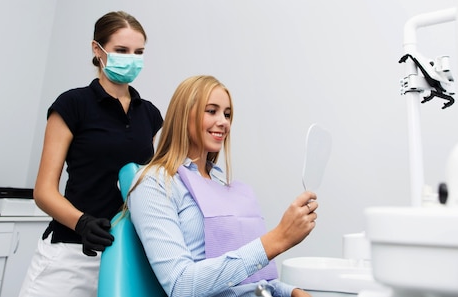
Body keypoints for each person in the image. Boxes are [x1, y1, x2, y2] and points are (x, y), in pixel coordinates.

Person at [127, 75, 318, 297]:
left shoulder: (223, 187)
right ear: (183, 115)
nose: (224, 121)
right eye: (211, 111)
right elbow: (181, 284)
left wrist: (290, 291)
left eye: (227, 114)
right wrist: (277, 239)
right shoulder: (155, 182)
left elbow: (251, 278)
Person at [19, 11, 163, 297]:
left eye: (138, 52)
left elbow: (143, 186)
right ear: (98, 50)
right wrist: (81, 223)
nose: (131, 59)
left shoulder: (150, 115)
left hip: (124, 254)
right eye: (121, 50)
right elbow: (44, 191)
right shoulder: (73, 104)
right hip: (71, 255)